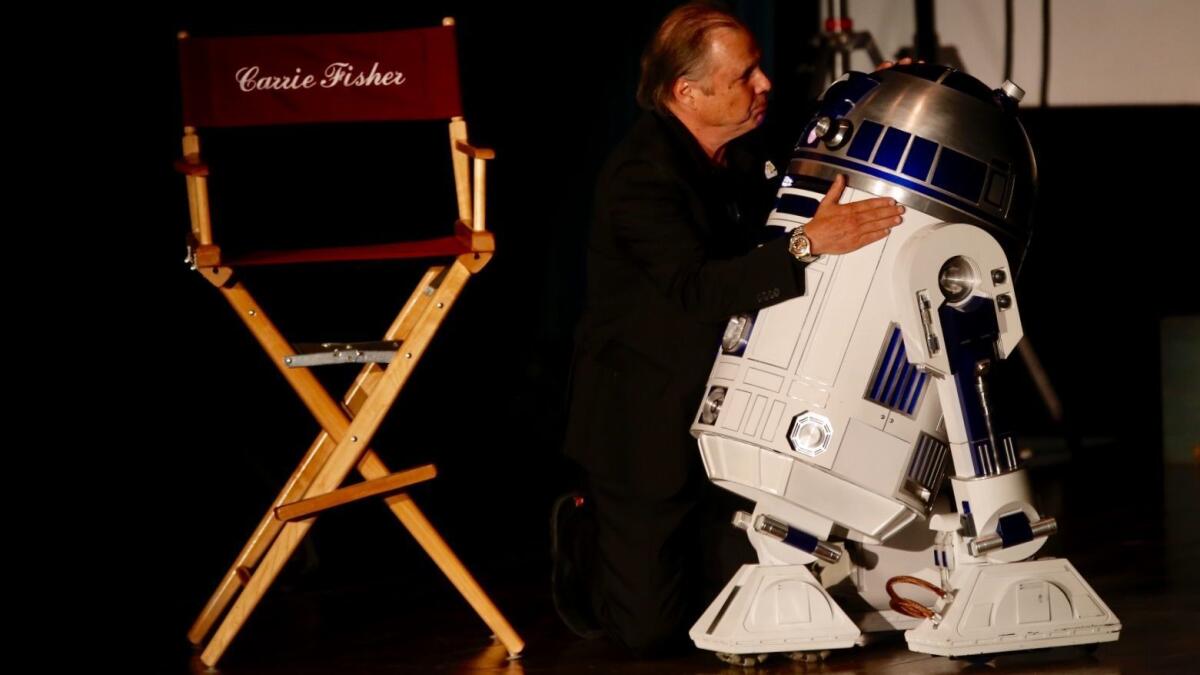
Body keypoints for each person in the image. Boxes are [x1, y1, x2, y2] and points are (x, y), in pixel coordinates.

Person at [556, 2, 906, 656]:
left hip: (729, 408)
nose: (763, 83)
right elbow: (698, 289)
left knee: (744, 613)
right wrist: (807, 245)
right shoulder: (641, 176)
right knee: (649, 632)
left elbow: (814, 124)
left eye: (759, 68)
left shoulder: (742, 149)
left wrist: (880, 92)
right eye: (745, 76)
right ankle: (585, 534)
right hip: (645, 422)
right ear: (687, 92)